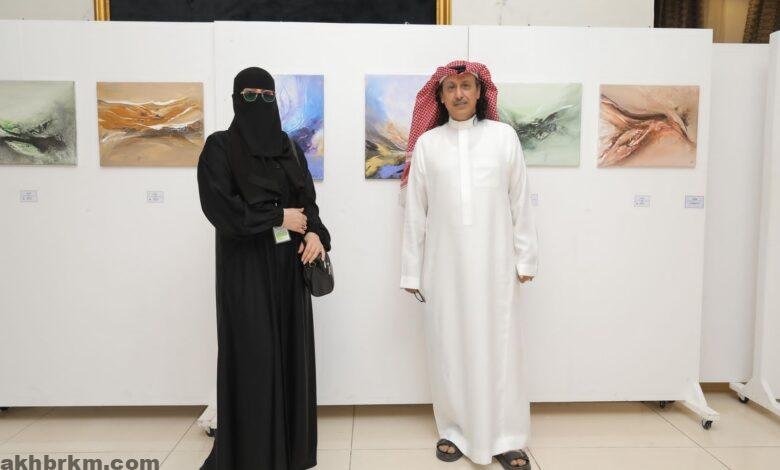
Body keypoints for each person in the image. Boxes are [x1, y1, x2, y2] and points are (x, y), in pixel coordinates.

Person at [400, 60, 539, 470]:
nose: (459, 94)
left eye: (466, 86)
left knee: (502, 349)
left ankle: (508, 437)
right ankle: (454, 431)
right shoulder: (428, 145)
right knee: (449, 347)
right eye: (451, 87)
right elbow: (415, 213)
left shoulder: (503, 138)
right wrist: (411, 270)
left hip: (497, 266)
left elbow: (520, 202)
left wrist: (526, 257)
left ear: (480, 93)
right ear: (440, 97)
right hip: (443, 268)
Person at [197, 66, 330, 470]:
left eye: (266, 95)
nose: (259, 102)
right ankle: (252, 456)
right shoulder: (219, 148)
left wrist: (315, 234)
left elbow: (308, 203)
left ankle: (290, 453)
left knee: (290, 355)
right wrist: (277, 217)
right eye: (249, 95)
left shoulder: (290, 149)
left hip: (290, 270)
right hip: (246, 271)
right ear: (236, 100)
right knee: (253, 357)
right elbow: (221, 209)